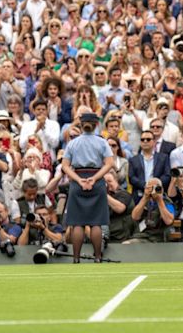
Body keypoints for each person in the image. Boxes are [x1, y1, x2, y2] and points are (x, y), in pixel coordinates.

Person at [61, 113, 114, 263]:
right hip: (95, 180)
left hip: (78, 181)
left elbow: (65, 166)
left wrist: (78, 179)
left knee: (77, 223)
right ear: (96, 124)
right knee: (96, 222)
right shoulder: (102, 142)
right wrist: (95, 178)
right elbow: (109, 163)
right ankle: (97, 257)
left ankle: (76, 258)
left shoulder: (73, 143)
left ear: (81, 124)